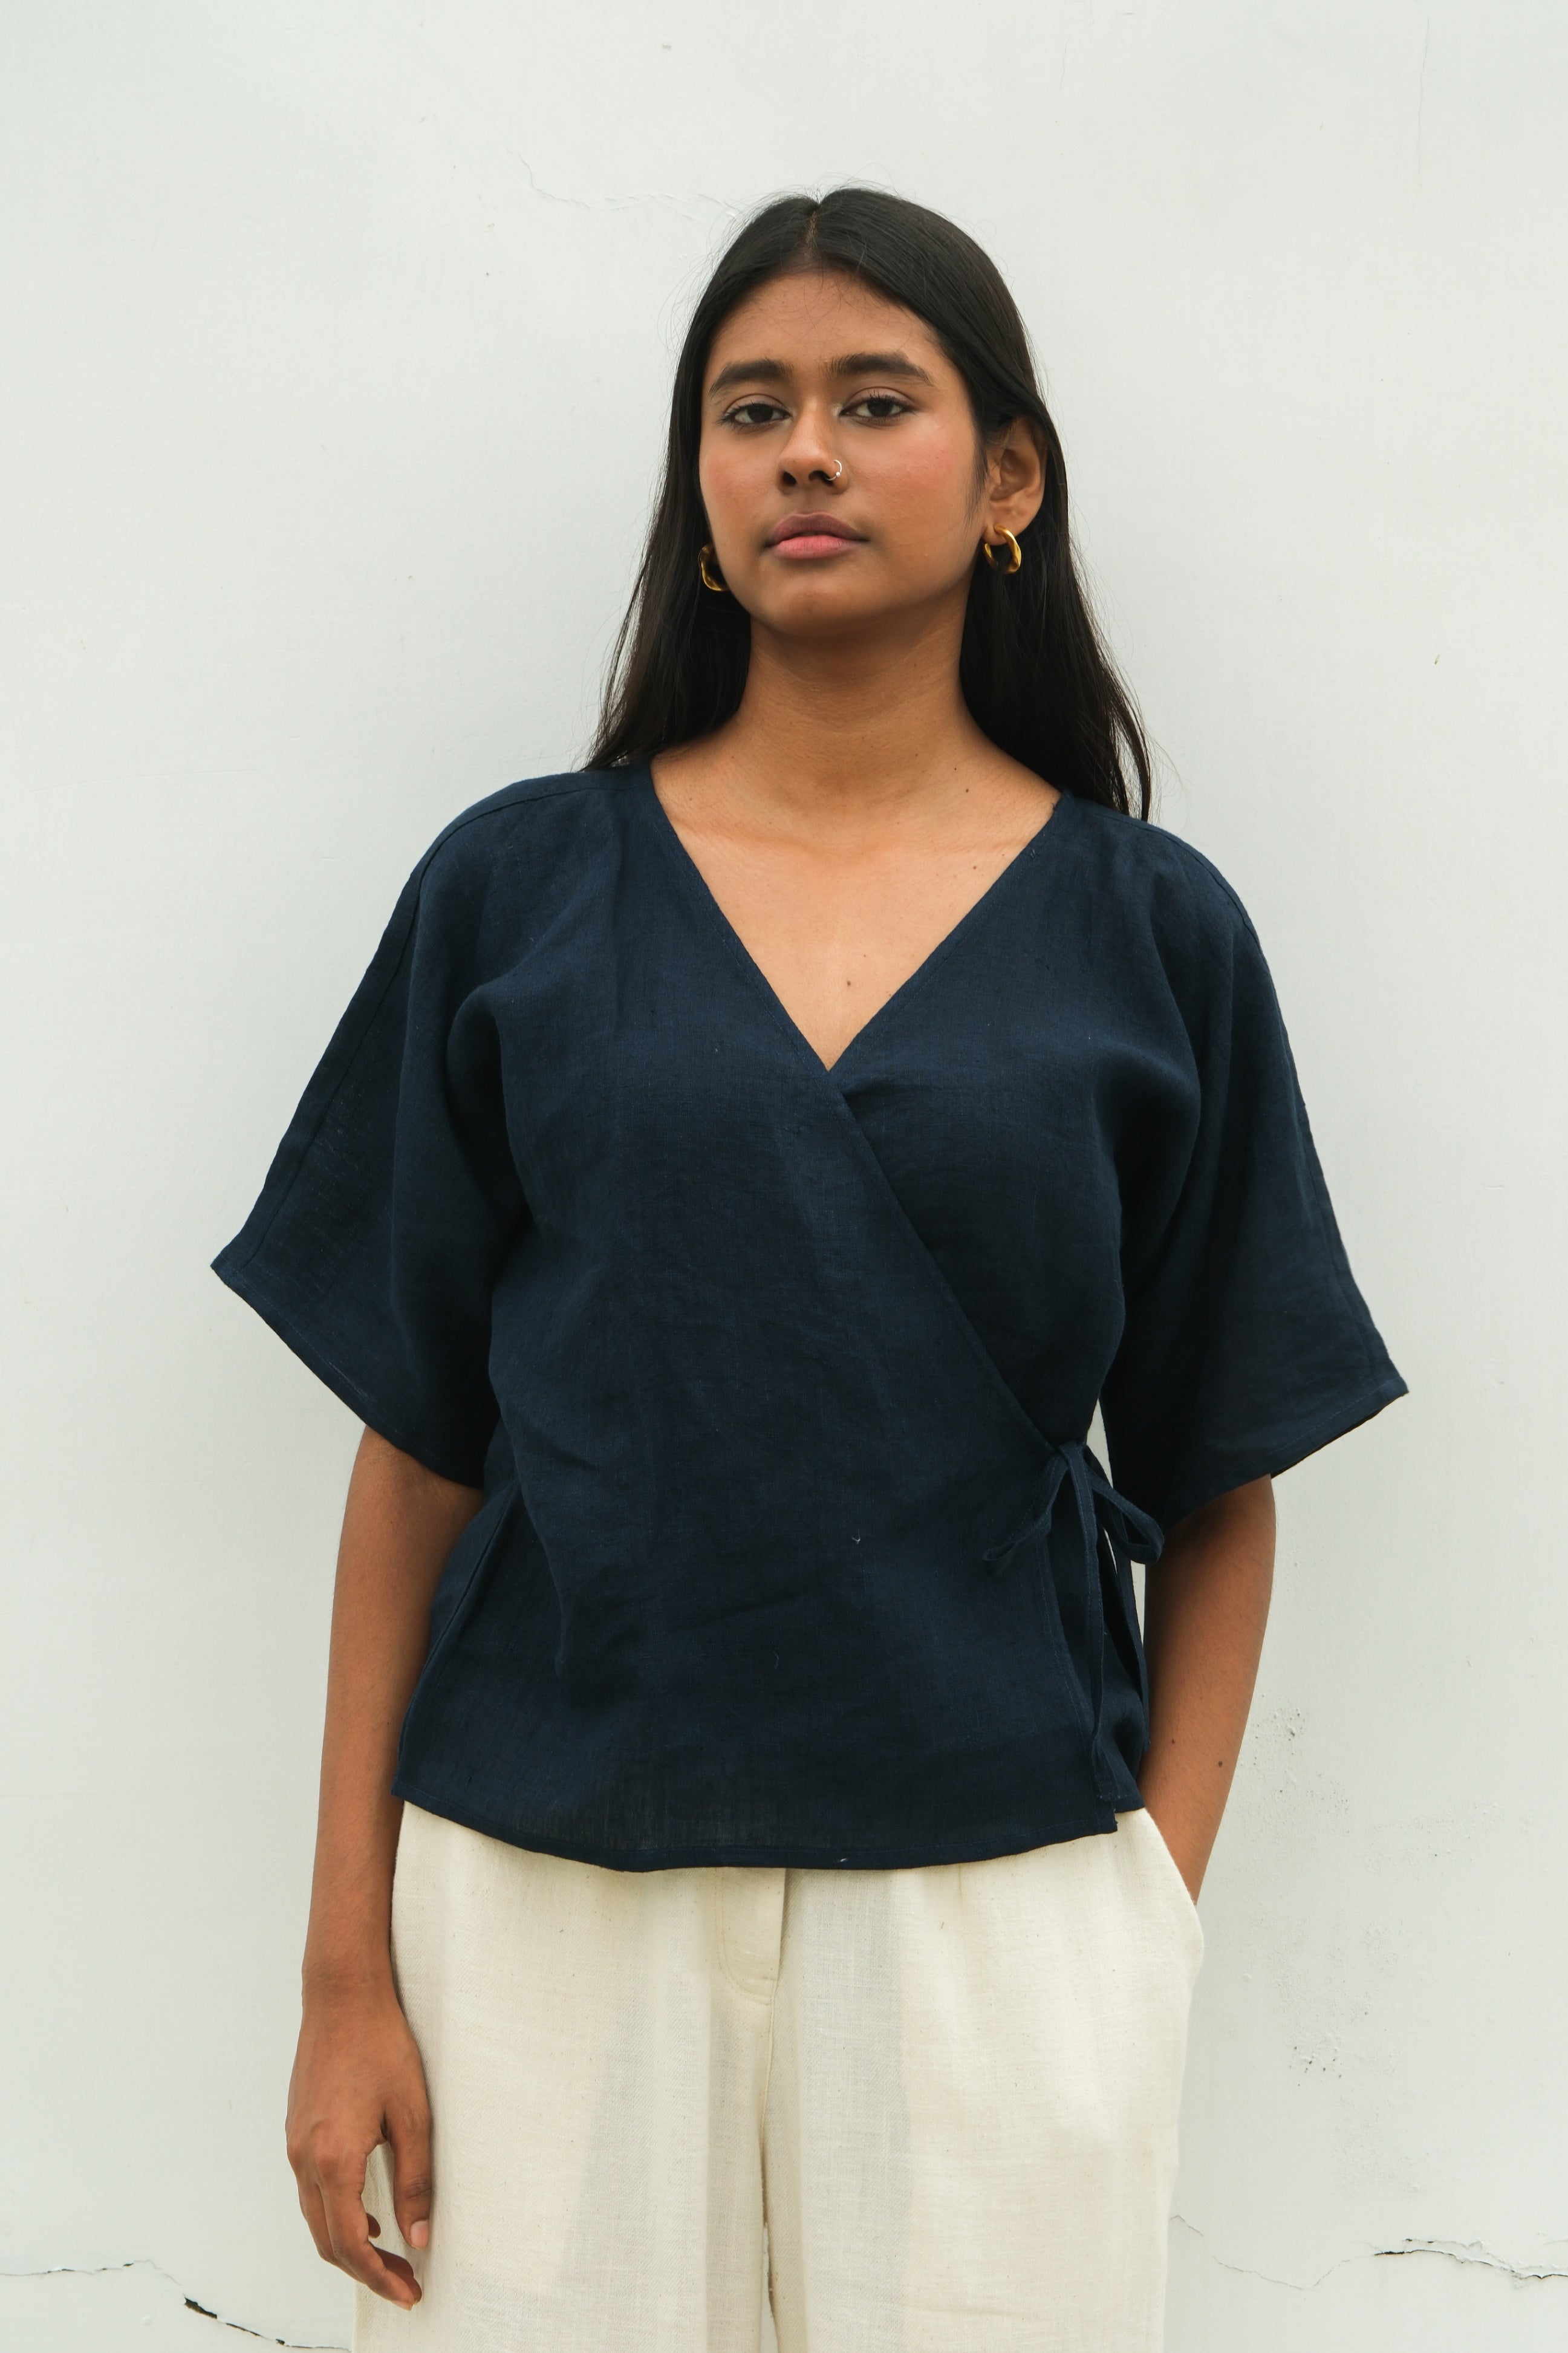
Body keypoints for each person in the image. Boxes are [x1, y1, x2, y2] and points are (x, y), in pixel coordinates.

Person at [213, 188, 1404, 2353]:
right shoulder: (518, 894)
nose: (805, 455)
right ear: (697, 489)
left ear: (1009, 479)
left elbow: (1221, 1469)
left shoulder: (1151, 935)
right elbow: (416, 1450)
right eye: (749, 410)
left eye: (875, 401)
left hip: (998, 1906)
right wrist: (343, 1963)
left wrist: (1143, 1917)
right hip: (542, 1895)